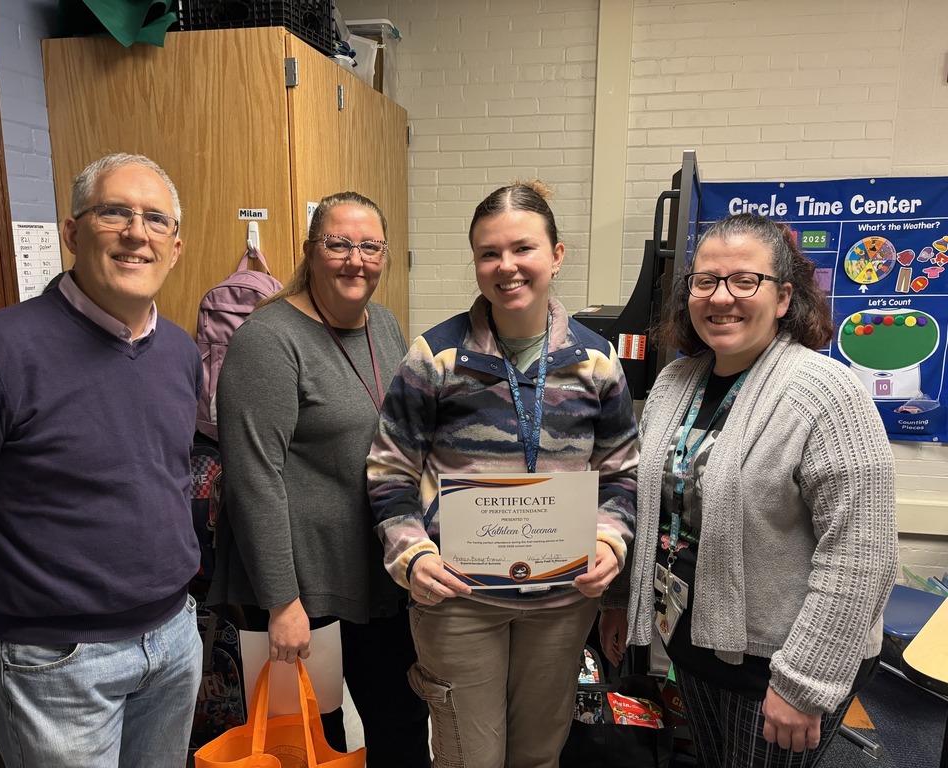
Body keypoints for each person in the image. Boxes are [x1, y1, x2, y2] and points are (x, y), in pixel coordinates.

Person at [0, 152, 203, 767]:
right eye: (114, 213)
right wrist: (32, 579)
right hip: (55, 661)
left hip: (174, 639)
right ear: (72, 232)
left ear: (175, 246)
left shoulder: (181, 352)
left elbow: (168, 478)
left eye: (156, 220)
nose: (137, 233)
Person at [605, 212, 898, 767]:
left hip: (781, 663)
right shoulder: (675, 381)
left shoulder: (825, 393)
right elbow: (645, 503)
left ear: (784, 297)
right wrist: (622, 598)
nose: (722, 298)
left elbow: (862, 555)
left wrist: (803, 684)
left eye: (745, 281)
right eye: (706, 281)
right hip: (696, 643)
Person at [367, 181, 639, 768]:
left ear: (557, 255)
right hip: (461, 598)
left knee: (539, 756)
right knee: (471, 759)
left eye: (523, 249)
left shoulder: (596, 362)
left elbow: (620, 469)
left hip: (563, 600)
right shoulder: (435, 357)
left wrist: (610, 540)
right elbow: (389, 468)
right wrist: (410, 555)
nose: (506, 266)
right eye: (489, 253)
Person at [207, 191, 431, 767]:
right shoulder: (267, 340)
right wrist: (281, 603)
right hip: (301, 590)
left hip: (377, 575)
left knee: (402, 725)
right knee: (307, 743)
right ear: (310, 251)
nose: (356, 259)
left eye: (370, 246)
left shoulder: (383, 323)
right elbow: (253, 478)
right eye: (338, 244)